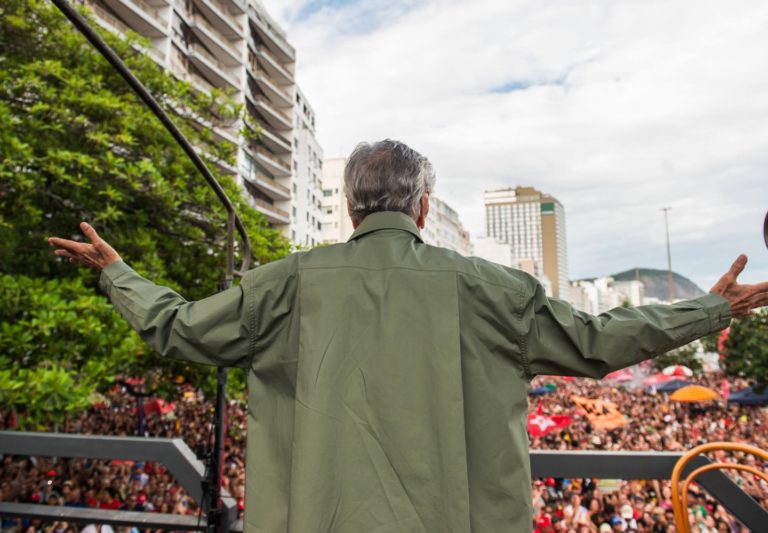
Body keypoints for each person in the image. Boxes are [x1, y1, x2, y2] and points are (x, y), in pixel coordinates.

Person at [49, 139, 768, 533]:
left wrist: (120, 273)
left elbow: (175, 327)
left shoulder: (284, 282)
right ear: (423, 206)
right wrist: (707, 310)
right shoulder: (490, 287)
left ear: (352, 207)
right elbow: (600, 340)